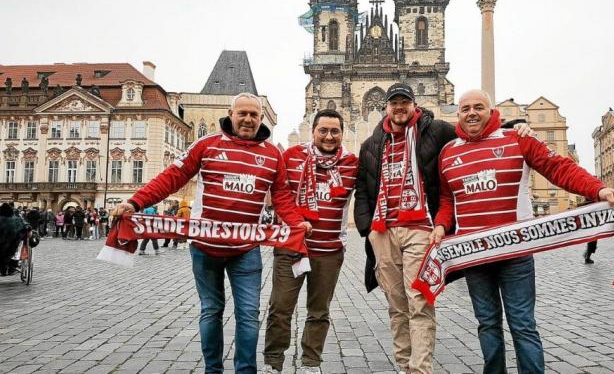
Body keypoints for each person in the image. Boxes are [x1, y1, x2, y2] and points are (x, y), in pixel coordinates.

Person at [112, 93, 310, 374]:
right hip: (205, 248)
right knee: (211, 311)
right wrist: (134, 202)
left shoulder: (272, 154)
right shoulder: (206, 145)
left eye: (254, 115)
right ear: (230, 114)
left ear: (261, 118)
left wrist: (296, 223)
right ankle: (212, 371)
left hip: (246, 250)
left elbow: (282, 198)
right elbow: (171, 177)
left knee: (249, 316)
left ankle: (245, 371)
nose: (248, 119)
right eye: (242, 113)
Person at [432, 89, 614, 374]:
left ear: (491, 110)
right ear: (458, 114)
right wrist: (441, 224)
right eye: (465, 108)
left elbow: (558, 168)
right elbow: (448, 199)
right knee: (487, 323)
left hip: (515, 253)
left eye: (479, 107)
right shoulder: (448, 153)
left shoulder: (517, 139)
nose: (472, 112)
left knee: (522, 324)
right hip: (474, 256)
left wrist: (598, 188)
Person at [354, 84, 531, 374]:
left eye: (405, 102)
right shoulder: (372, 143)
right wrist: (367, 228)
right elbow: (363, 188)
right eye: (394, 102)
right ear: (386, 106)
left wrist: (514, 127)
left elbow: (473, 133)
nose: (399, 107)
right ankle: (404, 366)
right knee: (397, 306)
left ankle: (420, 369)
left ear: (414, 105)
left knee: (419, 300)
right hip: (383, 230)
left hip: (421, 229)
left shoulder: (435, 131)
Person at [263, 109, 358, 374]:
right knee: (280, 308)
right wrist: (293, 222)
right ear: (313, 131)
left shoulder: (352, 162)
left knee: (319, 311)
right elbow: (278, 193)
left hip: (329, 251)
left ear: (343, 133)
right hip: (291, 247)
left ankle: (310, 363)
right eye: (323, 131)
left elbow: (373, 192)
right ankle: (273, 362)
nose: (329, 136)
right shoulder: (291, 156)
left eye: (335, 131)